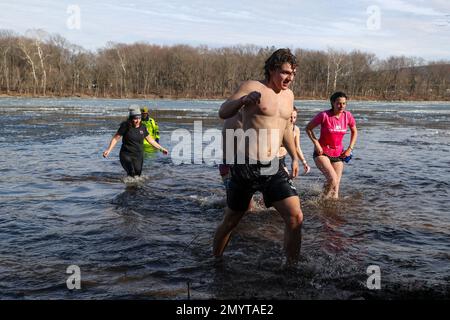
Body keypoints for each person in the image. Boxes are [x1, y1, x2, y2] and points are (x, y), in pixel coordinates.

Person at [213, 48, 304, 265]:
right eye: (285, 72)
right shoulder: (252, 86)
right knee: (232, 220)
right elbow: (223, 111)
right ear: (272, 69)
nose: (289, 78)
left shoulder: (289, 96)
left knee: (295, 217)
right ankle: (216, 260)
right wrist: (243, 100)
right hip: (246, 165)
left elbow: (284, 130)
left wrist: (294, 157)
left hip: (273, 166)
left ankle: (291, 269)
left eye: (292, 74)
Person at [305, 91, 358, 199]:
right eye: (338, 103)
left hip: (339, 154)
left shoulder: (347, 116)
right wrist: (316, 143)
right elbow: (308, 128)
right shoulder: (324, 115)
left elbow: (354, 131)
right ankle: (320, 201)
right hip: (322, 152)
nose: (341, 106)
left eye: (344, 103)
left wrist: (350, 148)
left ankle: (329, 207)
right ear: (332, 103)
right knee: (332, 180)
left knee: (336, 190)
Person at [103, 107, 168, 177]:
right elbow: (116, 138)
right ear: (131, 118)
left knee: (138, 174)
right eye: (135, 119)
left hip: (138, 155)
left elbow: (150, 140)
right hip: (126, 154)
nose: (138, 121)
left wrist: (161, 149)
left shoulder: (143, 127)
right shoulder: (125, 126)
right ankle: (128, 185)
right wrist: (108, 150)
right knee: (131, 172)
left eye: (139, 118)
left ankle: (132, 186)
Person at [278, 106, 311, 175]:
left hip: (282, 159)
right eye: (290, 117)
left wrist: (304, 162)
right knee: (286, 180)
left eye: (294, 117)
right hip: (272, 160)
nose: (292, 120)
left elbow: (297, 147)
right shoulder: (277, 128)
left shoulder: (296, 129)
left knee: (290, 179)